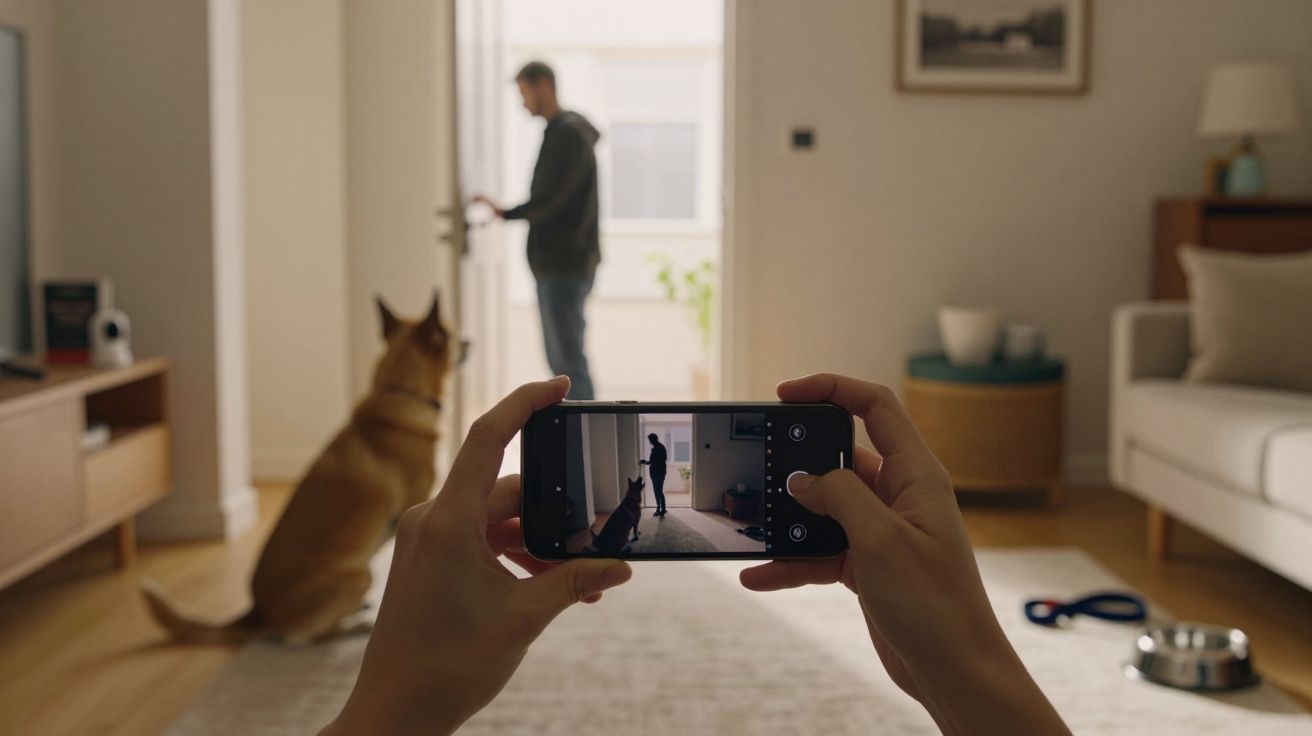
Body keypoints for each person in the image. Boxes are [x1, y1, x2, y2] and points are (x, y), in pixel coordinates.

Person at [321, 374, 1071, 736]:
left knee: (652, 501)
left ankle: (651, 511)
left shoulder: (656, 448)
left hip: (654, 486)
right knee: (651, 502)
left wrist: (391, 712)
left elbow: (664, 468)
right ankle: (651, 511)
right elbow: (659, 471)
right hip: (651, 486)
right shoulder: (653, 451)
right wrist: (969, 678)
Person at [473, 61, 600, 400]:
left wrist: (505, 212)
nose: (523, 102)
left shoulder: (568, 135)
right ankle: (581, 443)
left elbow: (549, 198)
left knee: (568, 366)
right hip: (563, 266)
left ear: (543, 85)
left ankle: (585, 444)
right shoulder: (564, 133)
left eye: (523, 92)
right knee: (565, 363)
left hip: (563, 267)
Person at [638, 432, 668, 517]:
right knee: (658, 491)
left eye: (650, 440)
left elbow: (657, 461)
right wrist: (645, 462)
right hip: (657, 473)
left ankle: (660, 509)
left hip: (658, 473)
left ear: (654, 439)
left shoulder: (658, 448)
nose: (650, 442)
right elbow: (652, 461)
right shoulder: (657, 447)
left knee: (658, 491)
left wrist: (649, 462)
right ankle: (662, 508)